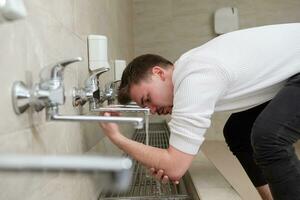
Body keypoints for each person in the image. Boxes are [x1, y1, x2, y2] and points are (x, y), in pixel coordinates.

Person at [99, 23, 300, 200]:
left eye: (148, 99)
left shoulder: (194, 78)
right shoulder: (190, 66)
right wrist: (164, 159)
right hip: (291, 71)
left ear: (159, 73)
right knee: (238, 131)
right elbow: (174, 159)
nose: (152, 111)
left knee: (269, 136)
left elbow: (175, 167)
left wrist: (117, 138)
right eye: (146, 107)